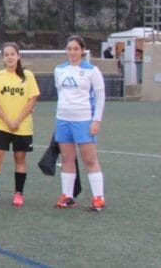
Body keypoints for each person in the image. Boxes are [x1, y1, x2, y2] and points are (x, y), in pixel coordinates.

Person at [53, 36, 107, 211]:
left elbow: (100, 97)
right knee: (67, 159)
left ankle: (98, 197)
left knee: (89, 159)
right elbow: (61, 93)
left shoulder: (92, 71)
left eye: (76, 49)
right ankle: (67, 196)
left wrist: (96, 120)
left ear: (82, 50)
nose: (72, 52)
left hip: (83, 120)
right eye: (69, 49)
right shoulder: (59, 70)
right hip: (63, 120)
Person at [0, 42, 39, 207]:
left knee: (19, 158)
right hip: (2, 124)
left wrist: (17, 121)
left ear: (18, 56)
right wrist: (8, 121)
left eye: (12, 54)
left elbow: (32, 99)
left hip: (22, 126)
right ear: (3, 58)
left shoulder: (27, 75)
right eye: (6, 55)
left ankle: (18, 194)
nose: (9, 57)